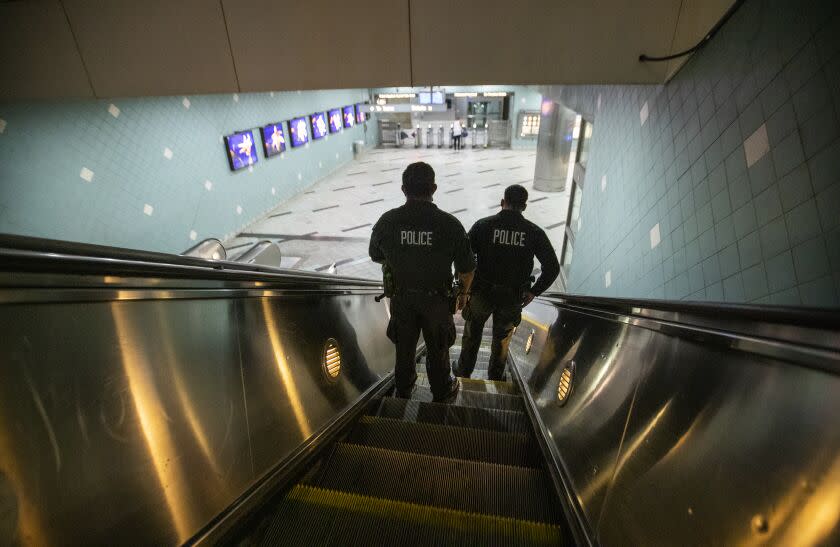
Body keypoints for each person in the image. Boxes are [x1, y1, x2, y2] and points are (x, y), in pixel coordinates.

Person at [370, 162, 475, 402]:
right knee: (438, 351)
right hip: (437, 302)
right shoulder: (450, 225)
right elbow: (467, 270)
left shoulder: (387, 222)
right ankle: (441, 391)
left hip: (402, 300)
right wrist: (463, 296)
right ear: (434, 188)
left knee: (404, 350)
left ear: (403, 189)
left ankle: (404, 390)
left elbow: (376, 254)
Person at [454, 184, 560, 381]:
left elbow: (463, 259)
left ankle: (463, 372)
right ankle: (495, 376)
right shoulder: (533, 232)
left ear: (503, 202)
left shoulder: (483, 225)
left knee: (472, 333)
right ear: (524, 207)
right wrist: (534, 291)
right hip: (512, 297)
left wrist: (463, 291)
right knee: (502, 340)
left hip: (481, 293)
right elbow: (552, 267)